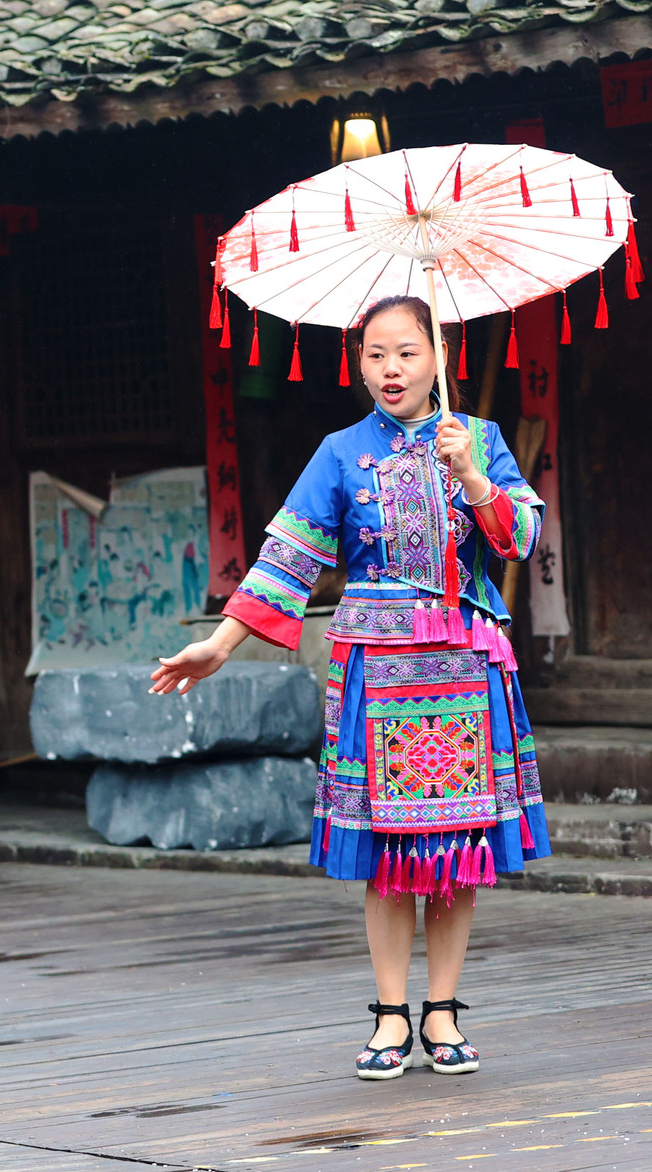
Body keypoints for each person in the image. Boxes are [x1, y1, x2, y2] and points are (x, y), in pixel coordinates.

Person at [152, 295, 548, 1081]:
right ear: (358, 362)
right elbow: (287, 559)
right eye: (374, 354)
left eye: (406, 352)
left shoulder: (482, 439)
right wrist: (222, 644)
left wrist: (469, 472)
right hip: (376, 668)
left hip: (465, 665)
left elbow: (521, 538)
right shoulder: (338, 452)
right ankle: (391, 1012)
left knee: (459, 846)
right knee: (389, 854)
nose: (390, 368)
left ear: (438, 356)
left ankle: (443, 1009)